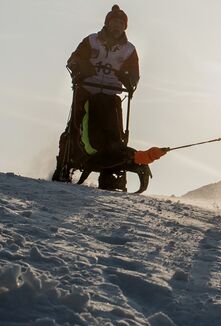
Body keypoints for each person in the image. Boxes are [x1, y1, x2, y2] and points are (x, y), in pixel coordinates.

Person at [52, 4, 140, 190]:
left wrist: (129, 79)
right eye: (114, 22)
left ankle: (110, 174)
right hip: (86, 90)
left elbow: (134, 73)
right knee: (75, 128)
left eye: (121, 24)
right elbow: (73, 59)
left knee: (113, 135)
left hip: (110, 94)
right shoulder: (91, 41)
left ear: (125, 27)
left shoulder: (129, 50)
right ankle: (64, 165)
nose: (117, 26)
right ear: (107, 23)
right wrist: (80, 68)